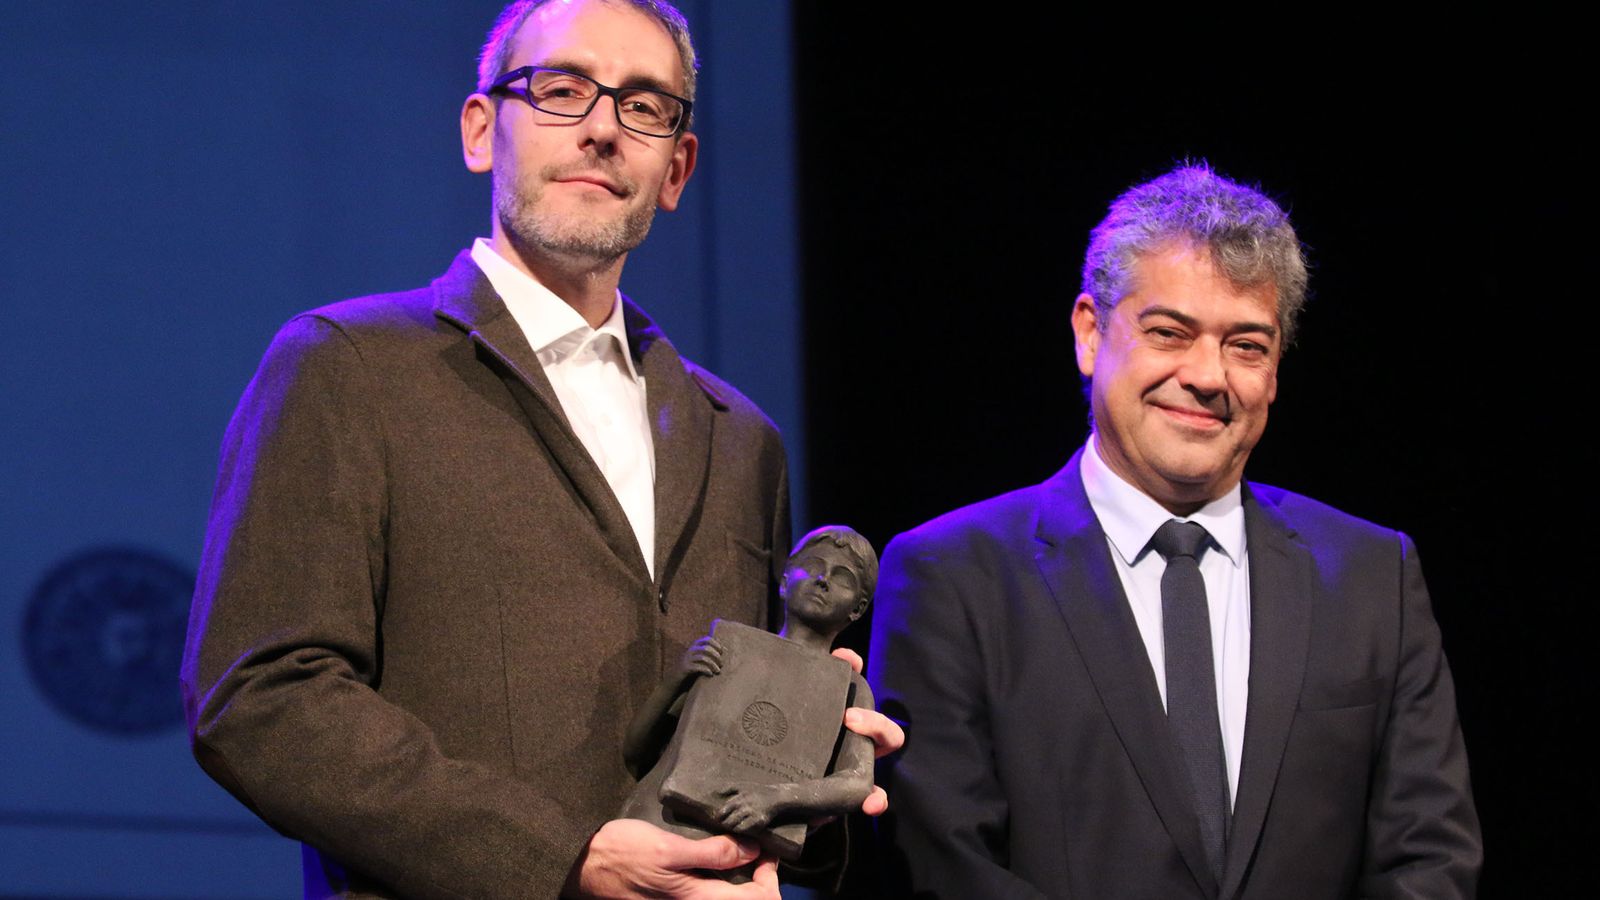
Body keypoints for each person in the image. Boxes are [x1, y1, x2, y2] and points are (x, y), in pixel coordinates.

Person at [180, 2, 898, 897]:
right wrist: (561, 861)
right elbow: (262, 697)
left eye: (644, 107)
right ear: (483, 130)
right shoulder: (349, 366)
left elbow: (730, 737)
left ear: (677, 169)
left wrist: (811, 775)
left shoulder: (743, 438)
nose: (602, 128)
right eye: (561, 90)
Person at [867, 163, 1482, 899]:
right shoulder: (950, 578)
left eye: (1246, 346)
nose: (1208, 375)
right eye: (1170, 333)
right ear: (1090, 334)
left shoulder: (1373, 576)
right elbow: (947, 872)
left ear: (1276, 367)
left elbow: (1430, 863)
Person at [620, 526, 878, 857]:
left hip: (736, 855)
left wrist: (775, 797)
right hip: (652, 823)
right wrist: (677, 678)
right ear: (785, 581)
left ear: (857, 608)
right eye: (814, 565)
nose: (823, 579)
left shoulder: (851, 687)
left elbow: (857, 782)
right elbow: (635, 751)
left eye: (843, 577)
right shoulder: (727, 651)